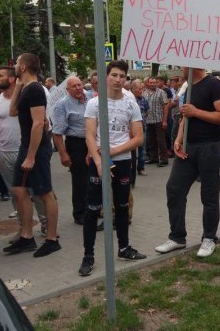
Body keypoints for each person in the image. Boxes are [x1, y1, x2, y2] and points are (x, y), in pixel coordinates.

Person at [79, 60, 146, 276]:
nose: (118, 80)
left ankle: (124, 248)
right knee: (92, 209)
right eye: (114, 75)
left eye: (122, 76)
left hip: (123, 161)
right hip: (98, 162)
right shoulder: (94, 104)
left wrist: (110, 152)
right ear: (106, 76)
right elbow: (89, 135)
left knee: (123, 206)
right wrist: (100, 161)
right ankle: (88, 256)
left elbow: (138, 138)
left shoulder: (130, 103)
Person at [155, 66, 220, 258]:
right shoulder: (189, 87)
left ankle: (209, 238)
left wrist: (196, 112)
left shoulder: (215, 84)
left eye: (182, 63)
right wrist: (179, 140)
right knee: (174, 189)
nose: (180, 67)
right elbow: (184, 118)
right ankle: (177, 237)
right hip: (189, 146)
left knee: (209, 194)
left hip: (210, 146)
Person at [3, 53, 61, 257]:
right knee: (19, 190)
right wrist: (18, 87)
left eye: (17, 63)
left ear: (23, 67)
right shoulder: (26, 88)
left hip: (35, 148)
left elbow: (38, 123)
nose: (15, 66)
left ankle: (52, 239)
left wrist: (31, 156)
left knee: (45, 192)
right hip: (26, 146)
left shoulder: (36, 89)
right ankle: (27, 237)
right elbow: (12, 112)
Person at [52, 77, 89, 225]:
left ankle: (93, 208)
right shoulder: (62, 105)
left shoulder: (91, 98)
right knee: (80, 180)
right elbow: (57, 132)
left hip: (93, 142)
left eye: (79, 85)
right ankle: (80, 213)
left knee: (94, 178)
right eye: (74, 86)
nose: (78, 88)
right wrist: (63, 154)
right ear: (67, 90)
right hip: (76, 144)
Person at [144, 77, 169, 167]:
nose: (153, 84)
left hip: (159, 120)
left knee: (161, 141)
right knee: (151, 141)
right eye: (151, 82)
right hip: (148, 121)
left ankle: (164, 159)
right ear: (148, 83)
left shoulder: (161, 92)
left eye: (155, 82)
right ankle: (153, 158)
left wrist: (165, 120)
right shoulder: (145, 93)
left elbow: (166, 106)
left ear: (157, 83)